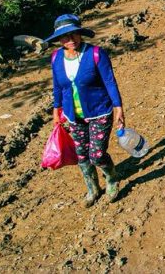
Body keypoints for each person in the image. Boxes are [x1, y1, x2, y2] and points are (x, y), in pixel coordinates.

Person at [46, 14, 126, 206]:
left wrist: (118, 108)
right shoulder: (57, 58)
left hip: (99, 111)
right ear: (59, 39)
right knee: (82, 154)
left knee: (97, 154)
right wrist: (56, 111)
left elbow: (109, 82)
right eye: (65, 37)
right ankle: (92, 188)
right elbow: (58, 86)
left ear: (81, 35)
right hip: (74, 116)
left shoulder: (96, 54)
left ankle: (112, 177)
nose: (70, 40)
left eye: (74, 35)